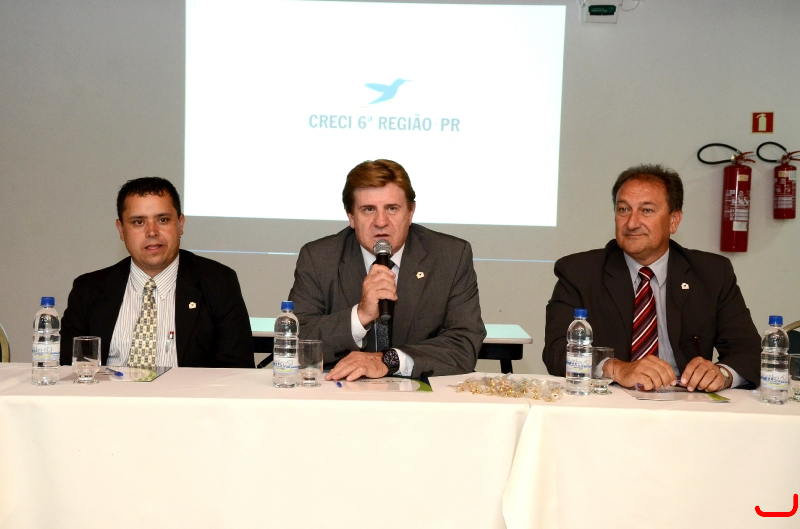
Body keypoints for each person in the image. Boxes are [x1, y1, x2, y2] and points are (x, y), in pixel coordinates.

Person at [543, 164, 760, 391]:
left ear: (674, 220)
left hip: (687, 400)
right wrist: (616, 369)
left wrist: (722, 374)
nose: (631, 223)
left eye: (646, 210)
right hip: (612, 400)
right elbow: (556, 352)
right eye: (623, 209)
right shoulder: (579, 272)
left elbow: (749, 351)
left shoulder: (712, 273)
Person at [288, 159, 486, 381]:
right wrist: (360, 315)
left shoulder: (450, 256)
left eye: (392, 208)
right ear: (351, 216)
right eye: (368, 209)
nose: (381, 222)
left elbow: (464, 344)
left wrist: (389, 360)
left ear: (410, 212)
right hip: (343, 391)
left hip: (421, 394)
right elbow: (293, 343)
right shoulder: (319, 258)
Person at [60, 177, 254, 368]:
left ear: (180, 224)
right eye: (138, 222)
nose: (152, 232)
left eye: (162, 220)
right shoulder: (88, 289)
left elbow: (237, 371)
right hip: (110, 389)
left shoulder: (219, 283)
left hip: (187, 390)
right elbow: (67, 369)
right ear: (121, 230)